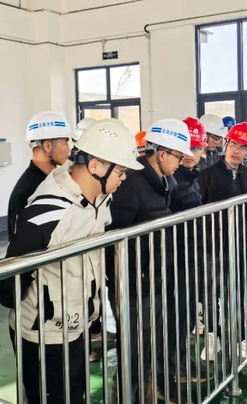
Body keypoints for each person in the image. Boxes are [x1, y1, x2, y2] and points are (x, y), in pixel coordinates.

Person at [0, 118, 142, 404]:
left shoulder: (100, 199)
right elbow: (9, 283)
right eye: (121, 171)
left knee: (75, 393)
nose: (124, 178)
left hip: (77, 325)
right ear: (96, 166)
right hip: (44, 336)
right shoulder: (47, 213)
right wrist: (44, 309)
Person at [107, 118, 194, 403]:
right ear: (161, 153)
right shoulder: (131, 183)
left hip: (154, 279)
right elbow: (115, 237)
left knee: (148, 346)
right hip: (134, 284)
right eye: (178, 156)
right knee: (133, 350)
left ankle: (143, 393)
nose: (181, 162)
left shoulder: (162, 182)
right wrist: (133, 277)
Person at [198, 122, 247, 365]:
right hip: (214, 246)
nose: (237, 151)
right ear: (226, 144)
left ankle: (244, 340)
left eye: (243, 147)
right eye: (234, 145)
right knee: (211, 294)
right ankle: (212, 337)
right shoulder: (206, 175)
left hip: (243, 246)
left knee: (244, 293)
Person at [169, 117, 212, 380]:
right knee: (176, 317)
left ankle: (181, 362)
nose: (189, 153)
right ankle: (176, 367)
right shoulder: (170, 181)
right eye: (184, 148)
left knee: (185, 316)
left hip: (191, 257)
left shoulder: (193, 178)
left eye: (195, 148)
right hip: (176, 260)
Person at [7, 111, 73, 239]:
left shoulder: (50, 180)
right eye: (65, 142)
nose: (69, 149)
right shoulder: (29, 191)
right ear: (48, 146)